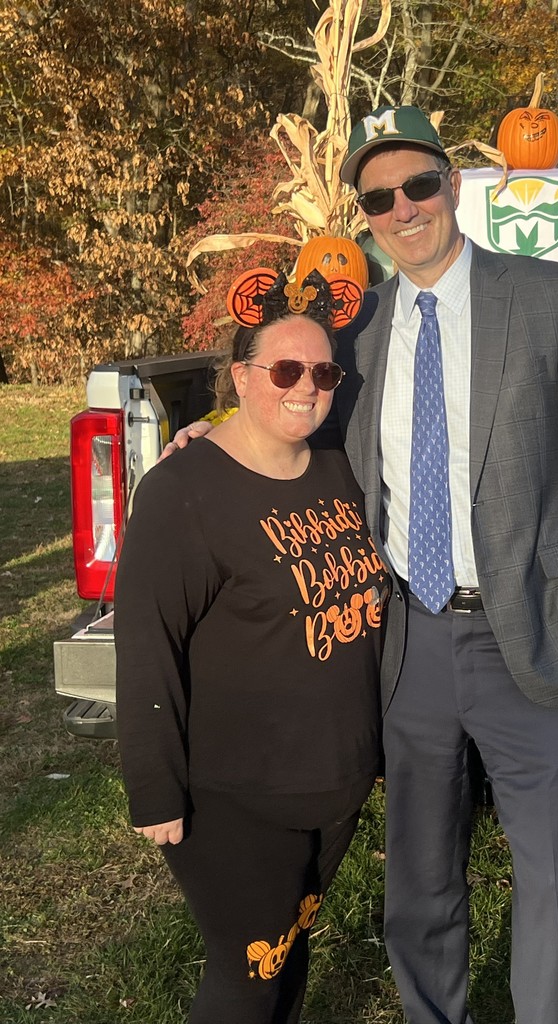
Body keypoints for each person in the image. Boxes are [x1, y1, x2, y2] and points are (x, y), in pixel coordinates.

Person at [168, 105, 558, 1024]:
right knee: (420, 886)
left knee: (551, 886)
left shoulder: (548, 298)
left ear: (451, 185)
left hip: (536, 634)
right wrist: (218, 434)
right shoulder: (356, 325)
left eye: (418, 185)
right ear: (368, 216)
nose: (402, 209)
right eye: (378, 198)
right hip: (404, 644)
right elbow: (299, 420)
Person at [114, 282, 390, 1024]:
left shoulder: (336, 466)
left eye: (324, 373)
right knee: (249, 972)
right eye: (285, 371)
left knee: (287, 952)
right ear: (240, 377)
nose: (307, 387)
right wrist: (155, 789)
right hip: (235, 794)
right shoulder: (185, 491)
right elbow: (147, 643)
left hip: (334, 782)